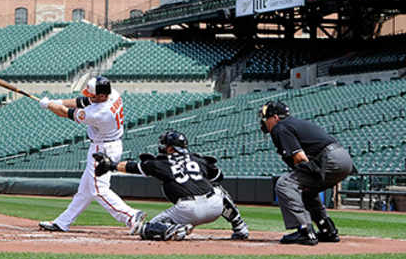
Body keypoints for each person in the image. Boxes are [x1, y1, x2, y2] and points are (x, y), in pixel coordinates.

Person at [94, 130, 249, 241]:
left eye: (165, 144)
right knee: (218, 191)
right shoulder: (198, 159)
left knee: (147, 228)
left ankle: (177, 230)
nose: (162, 147)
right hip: (214, 208)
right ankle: (240, 227)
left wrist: (111, 165)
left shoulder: (162, 162)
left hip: (187, 210)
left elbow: (133, 167)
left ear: (171, 148)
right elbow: (218, 176)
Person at [37, 76, 146, 233]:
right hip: (111, 143)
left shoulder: (99, 113)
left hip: (102, 150)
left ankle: (131, 215)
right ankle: (62, 222)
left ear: (102, 95)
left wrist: (49, 105)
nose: (90, 97)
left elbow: (65, 113)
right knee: (85, 190)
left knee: (98, 190)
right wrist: (57, 101)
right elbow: (81, 101)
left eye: (93, 95)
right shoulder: (112, 94)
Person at [259, 101, 355, 245]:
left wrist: (308, 171)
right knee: (307, 191)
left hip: (330, 159)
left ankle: (304, 231)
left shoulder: (280, 127)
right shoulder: (293, 123)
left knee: (285, 184)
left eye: (266, 118)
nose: (264, 122)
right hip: (343, 159)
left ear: (276, 118)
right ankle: (327, 230)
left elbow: (300, 158)